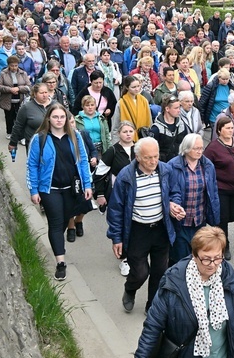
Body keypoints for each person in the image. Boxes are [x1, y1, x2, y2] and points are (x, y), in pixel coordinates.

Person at [133, 226, 234, 358]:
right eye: (206, 259)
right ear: (194, 255)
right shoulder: (174, 281)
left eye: (217, 258)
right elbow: (152, 327)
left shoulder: (228, 276)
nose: (212, 265)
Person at [107, 137, 175, 314]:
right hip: (138, 231)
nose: (153, 161)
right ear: (138, 157)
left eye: (156, 156)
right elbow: (115, 209)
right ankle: (130, 289)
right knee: (140, 273)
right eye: (148, 158)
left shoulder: (166, 171)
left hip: (161, 229)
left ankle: (151, 305)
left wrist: (174, 204)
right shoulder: (126, 177)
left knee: (160, 271)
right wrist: (116, 238)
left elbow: (175, 192)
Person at [27, 104, 93, 281]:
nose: (59, 120)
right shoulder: (39, 139)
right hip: (50, 189)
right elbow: (32, 165)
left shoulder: (75, 136)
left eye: (62, 117)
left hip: (72, 188)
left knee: (64, 220)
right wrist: (33, 190)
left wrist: (88, 185)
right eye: (55, 117)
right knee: (56, 223)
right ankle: (60, 262)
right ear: (48, 118)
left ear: (66, 119)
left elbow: (83, 161)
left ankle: (56, 243)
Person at [167, 134, 221, 264]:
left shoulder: (208, 166)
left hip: (199, 221)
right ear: (186, 148)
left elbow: (213, 193)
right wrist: (170, 205)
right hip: (180, 223)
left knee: (197, 259)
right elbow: (167, 192)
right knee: (180, 260)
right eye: (195, 148)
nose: (199, 151)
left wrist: (215, 219)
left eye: (201, 148)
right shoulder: (172, 166)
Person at [94, 121, 135, 276]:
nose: (128, 134)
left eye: (131, 131)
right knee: (122, 224)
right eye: (125, 131)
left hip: (137, 195)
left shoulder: (139, 149)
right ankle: (123, 258)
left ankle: (133, 255)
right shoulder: (112, 151)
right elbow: (99, 173)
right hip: (118, 194)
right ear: (119, 134)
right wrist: (100, 194)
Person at [204, 117, 234, 261]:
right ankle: (223, 245)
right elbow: (206, 167)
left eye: (232, 128)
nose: (230, 131)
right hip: (220, 188)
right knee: (222, 219)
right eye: (227, 128)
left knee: (233, 216)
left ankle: (219, 234)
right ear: (219, 130)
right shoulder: (213, 147)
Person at [9, 82, 52, 153]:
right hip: (33, 144)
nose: (44, 95)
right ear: (35, 94)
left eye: (46, 92)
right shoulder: (27, 107)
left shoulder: (55, 105)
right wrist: (13, 143)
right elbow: (18, 126)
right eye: (41, 93)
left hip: (52, 143)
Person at [0, 54, 31, 136]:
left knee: (20, 118)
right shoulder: (3, 74)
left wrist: (19, 88)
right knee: (9, 117)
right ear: (8, 65)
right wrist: (10, 89)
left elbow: (29, 86)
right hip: (8, 100)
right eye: (12, 66)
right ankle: (10, 132)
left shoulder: (23, 73)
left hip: (21, 100)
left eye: (16, 65)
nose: (14, 67)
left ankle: (20, 134)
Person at [111, 76, 152, 143]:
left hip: (143, 138)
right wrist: (116, 144)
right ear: (127, 87)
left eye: (138, 86)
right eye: (133, 87)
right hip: (127, 139)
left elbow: (149, 121)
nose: (137, 89)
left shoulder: (144, 100)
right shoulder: (121, 103)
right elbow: (116, 126)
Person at [151, 94, 189, 162]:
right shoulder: (156, 129)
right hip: (163, 165)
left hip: (179, 162)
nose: (179, 110)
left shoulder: (181, 125)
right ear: (167, 109)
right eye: (176, 108)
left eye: (179, 107)